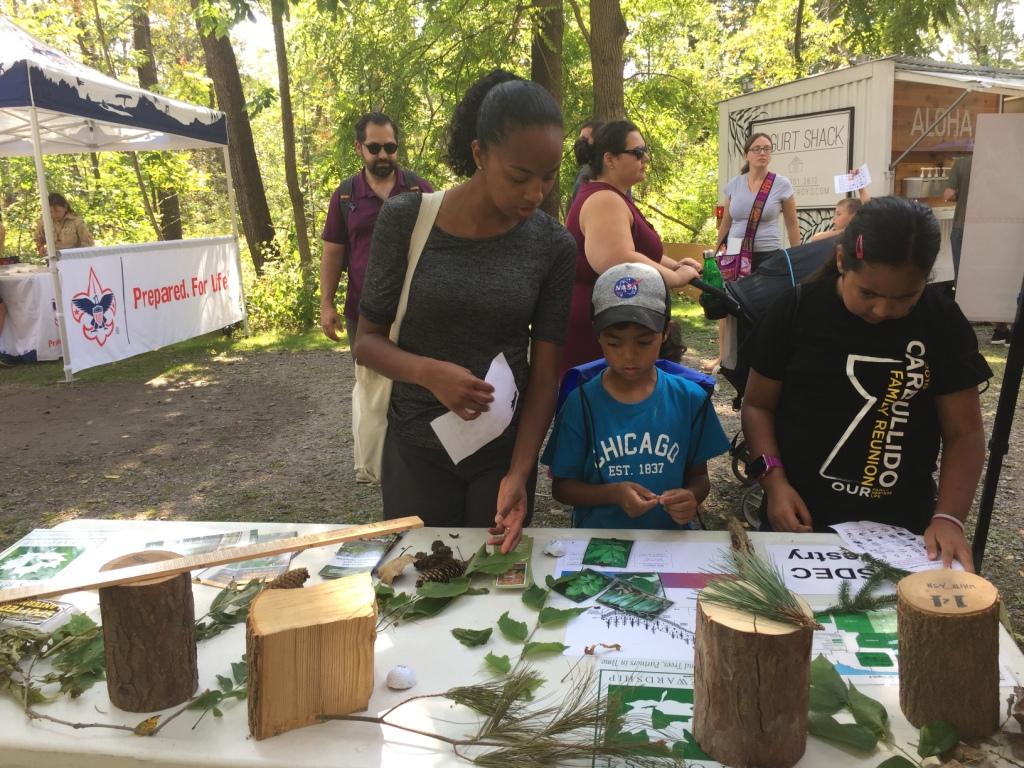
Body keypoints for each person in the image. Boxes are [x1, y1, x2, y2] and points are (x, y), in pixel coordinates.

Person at [356, 70, 576, 555]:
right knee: (418, 589)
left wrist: (521, 472)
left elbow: (544, 375)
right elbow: (366, 342)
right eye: (520, 176)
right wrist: (430, 373)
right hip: (415, 450)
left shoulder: (553, 246)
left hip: (502, 457)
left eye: (548, 176)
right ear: (479, 154)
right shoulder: (406, 220)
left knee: (495, 594)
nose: (535, 194)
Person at [740, 196, 992, 571]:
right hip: (801, 517)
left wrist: (949, 519)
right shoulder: (796, 312)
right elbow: (758, 405)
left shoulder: (941, 322)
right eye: (868, 294)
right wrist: (774, 484)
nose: (883, 311)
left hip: (904, 527)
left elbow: (965, 432)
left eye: (906, 297)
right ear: (842, 261)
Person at [543, 262, 730, 529]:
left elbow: (699, 478)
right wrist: (613, 493)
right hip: (600, 543)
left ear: (665, 332)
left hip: (669, 541)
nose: (629, 355)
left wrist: (691, 497)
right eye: (614, 342)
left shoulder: (690, 399)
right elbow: (562, 488)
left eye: (643, 342)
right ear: (597, 335)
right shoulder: (581, 402)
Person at [561, 120, 701, 376]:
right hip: (605, 331)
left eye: (645, 151)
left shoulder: (613, 196)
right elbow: (618, 260)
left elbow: (642, 251)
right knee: (604, 411)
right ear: (610, 159)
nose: (645, 158)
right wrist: (677, 278)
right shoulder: (603, 200)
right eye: (637, 152)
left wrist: (677, 264)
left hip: (618, 323)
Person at [320, 112, 433, 350]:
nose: (383, 155)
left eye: (390, 147)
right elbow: (332, 253)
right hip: (362, 313)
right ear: (358, 147)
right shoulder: (344, 196)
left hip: (415, 312)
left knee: (415, 383)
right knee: (369, 385)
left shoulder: (420, 190)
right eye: (374, 148)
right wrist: (327, 305)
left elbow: (437, 248)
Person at [703, 132, 800, 372]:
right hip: (735, 256)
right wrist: (715, 252)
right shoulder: (735, 185)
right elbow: (726, 222)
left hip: (768, 255)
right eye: (757, 149)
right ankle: (725, 357)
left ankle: (759, 356)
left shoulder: (781, 185)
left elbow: (792, 223)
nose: (762, 153)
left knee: (763, 307)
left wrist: (798, 257)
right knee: (728, 303)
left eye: (767, 148)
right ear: (747, 153)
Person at [943, 155, 1009, 345]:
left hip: (963, 226)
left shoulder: (963, 162)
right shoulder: (1003, 161)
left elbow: (947, 195)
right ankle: (1001, 329)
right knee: (994, 277)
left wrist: (961, 194)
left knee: (963, 280)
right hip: (992, 226)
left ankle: (960, 329)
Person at [568, 119, 602, 205]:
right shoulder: (586, 172)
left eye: (585, 139)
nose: (580, 143)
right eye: (580, 139)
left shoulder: (611, 175)